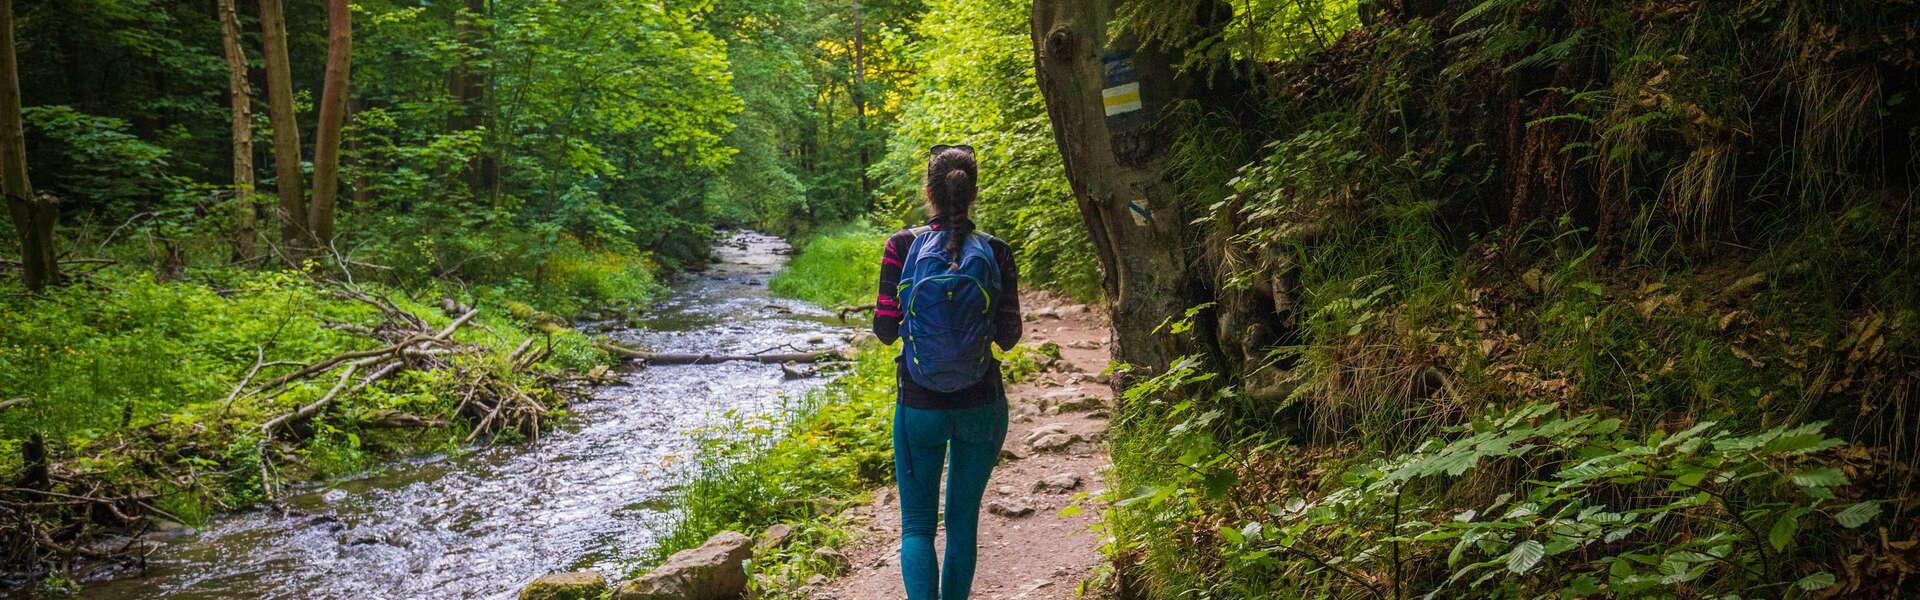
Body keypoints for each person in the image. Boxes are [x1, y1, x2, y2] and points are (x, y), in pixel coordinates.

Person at [872, 144, 1021, 600]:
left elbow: (884, 330)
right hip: (982, 403)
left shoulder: (901, 246)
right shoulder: (995, 250)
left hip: (919, 405)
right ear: (973, 193)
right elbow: (1009, 337)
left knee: (917, 527)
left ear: (929, 191)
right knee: (961, 525)